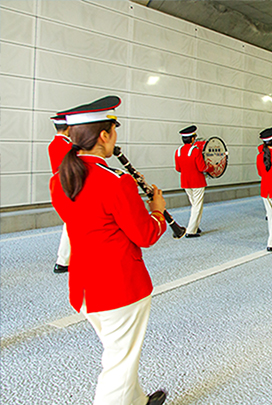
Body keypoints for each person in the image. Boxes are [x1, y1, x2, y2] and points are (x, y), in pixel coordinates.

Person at [50, 95, 167, 405]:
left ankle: (138, 400)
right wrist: (157, 211)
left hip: (85, 287)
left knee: (121, 354)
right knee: (118, 364)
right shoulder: (116, 181)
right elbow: (145, 235)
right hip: (119, 288)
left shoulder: (60, 180)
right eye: (114, 130)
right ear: (104, 135)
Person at [174, 125, 208, 237]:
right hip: (197, 181)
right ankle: (191, 230)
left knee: (194, 205)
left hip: (185, 182)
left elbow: (178, 168)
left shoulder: (178, 151)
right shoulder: (195, 151)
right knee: (197, 206)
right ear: (192, 139)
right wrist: (212, 167)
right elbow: (202, 168)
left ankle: (196, 226)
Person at [48, 114, 71, 274]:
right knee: (72, 224)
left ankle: (64, 260)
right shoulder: (68, 146)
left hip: (60, 187)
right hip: (70, 188)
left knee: (70, 224)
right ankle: (62, 262)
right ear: (69, 127)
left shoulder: (53, 144)